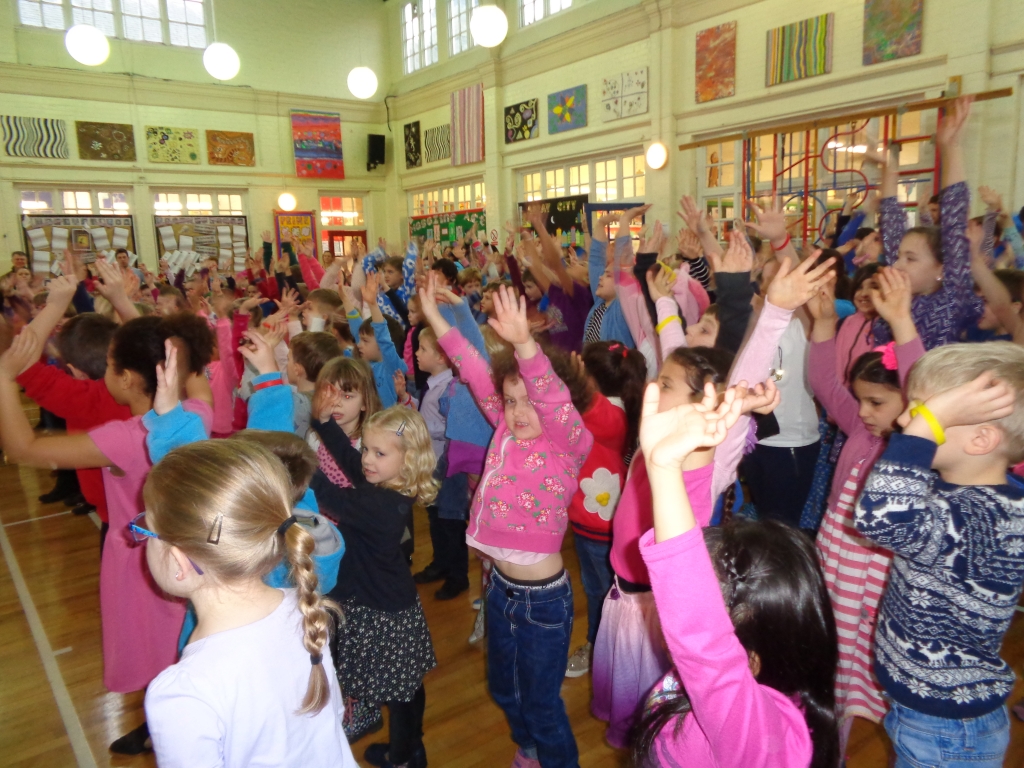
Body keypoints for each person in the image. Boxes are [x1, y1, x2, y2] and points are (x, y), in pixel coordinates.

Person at [0, 315, 214, 754]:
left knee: (158, 651)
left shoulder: (124, 438)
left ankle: (172, 731)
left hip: (142, 564)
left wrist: (4, 378)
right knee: (186, 642)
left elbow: (24, 449)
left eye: (111, 367)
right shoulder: (195, 414)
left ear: (129, 378)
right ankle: (173, 723)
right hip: (191, 558)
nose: (105, 376)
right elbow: (198, 383)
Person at [427, 281, 593, 768]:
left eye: (528, 401)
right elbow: (472, 366)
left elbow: (549, 396)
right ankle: (532, 750)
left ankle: (552, 756)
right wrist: (436, 317)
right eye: (510, 400)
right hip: (500, 589)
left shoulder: (566, 443)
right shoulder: (504, 426)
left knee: (542, 705)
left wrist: (525, 346)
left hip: (543, 601)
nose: (518, 411)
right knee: (503, 688)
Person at [631, 379, 839, 768]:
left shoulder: (757, 735)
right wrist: (696, 448)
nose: (674, 602)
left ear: (750, 659)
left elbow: (701, 638)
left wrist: (663, 468)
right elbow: (690, 559)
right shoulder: (746, 676)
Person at [136, 439, 355, 768]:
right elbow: (331, 716)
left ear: (180, 562)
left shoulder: (183, 692)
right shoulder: (304, 610)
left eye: (147, 530)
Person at [856, 342, 1024, 768]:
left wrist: (923, 431)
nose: (904, 421)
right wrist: (934, 420)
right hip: (931, 714)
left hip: (947, 728)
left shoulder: (977, 517)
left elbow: (879, 518)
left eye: (923, 414)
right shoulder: (959, 495)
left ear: (981, 439)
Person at [806, 267, 925, 749]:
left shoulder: (920, 450)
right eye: (861, 401)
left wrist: (902, 323)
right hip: (837, 562)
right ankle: (831, 741)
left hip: (878, 578)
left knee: (869, 663)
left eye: (876, 402)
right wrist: (822, 325)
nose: (864, 412)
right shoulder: (860, 425)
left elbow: (924, 389)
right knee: (833, 658)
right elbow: (824, 383)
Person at [310, 406, 438, 768]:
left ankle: (401, 757)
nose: (367, 459)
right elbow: (352, 464)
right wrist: (325, 425)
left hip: (382, 611)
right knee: (407, 688)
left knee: (400, 695)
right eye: (366, 448)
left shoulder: (379, 504)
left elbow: (330, 495)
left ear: (407, 460)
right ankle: (413, 748)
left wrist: (295, 462)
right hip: (392, 602)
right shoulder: (389, 486)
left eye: (379, 453)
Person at [870, 96, 983, 350]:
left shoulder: (950, 300)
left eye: (910, 259)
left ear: (942, 269)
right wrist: (889, 168)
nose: (896, 264)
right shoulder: (898, 299)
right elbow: (891, 223)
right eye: (899, 256)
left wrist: (951, 146)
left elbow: (954, 221)